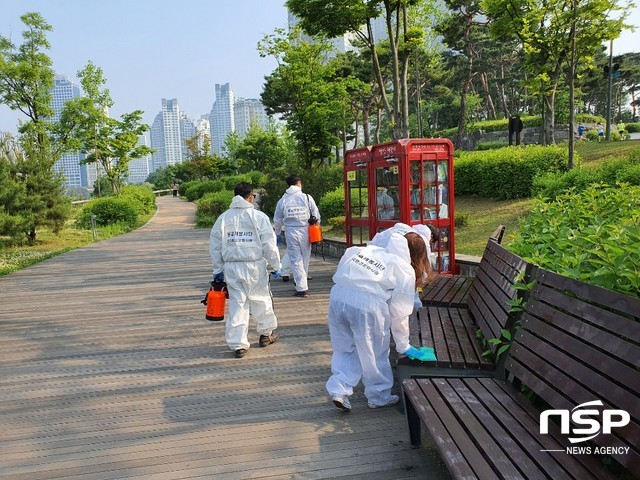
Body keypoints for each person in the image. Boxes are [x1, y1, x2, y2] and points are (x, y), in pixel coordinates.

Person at [326, 232, 435, 411]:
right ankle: (378, 396)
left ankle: (339, 389)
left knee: (345, 347)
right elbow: (400, 313)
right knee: (374, 351)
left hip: (338, 296)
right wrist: (403, 346)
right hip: (368, 303)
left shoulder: (363, 251)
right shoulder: (403, 268)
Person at [210, 182, 282, 358]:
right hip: (254, 265)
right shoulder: (259, 217)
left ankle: (238, 344)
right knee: (261, 299)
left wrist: (217, 269)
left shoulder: (223, 218)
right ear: (250, 197)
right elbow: (269, 244)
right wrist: (277, 265)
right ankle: (266, 334)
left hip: (231, 267)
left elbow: (215, 246)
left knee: (238, 304)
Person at [369, 222, 438, 312]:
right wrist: (418, 308)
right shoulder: (422, 240)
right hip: (391, 263)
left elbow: (376, 239)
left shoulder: (403, 227)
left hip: (372, 256)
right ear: (431, 237)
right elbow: (420, 272)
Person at [273, 175, 321, 298]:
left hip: (290, 231)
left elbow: (277, 220)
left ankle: (301, 286)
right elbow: (316, 215)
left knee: (295, 259)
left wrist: (277, 234)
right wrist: (317, 227)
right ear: (298, 183)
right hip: (306, 230)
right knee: (305, 257)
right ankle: (301, 284)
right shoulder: (307, 197)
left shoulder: (282, 200)